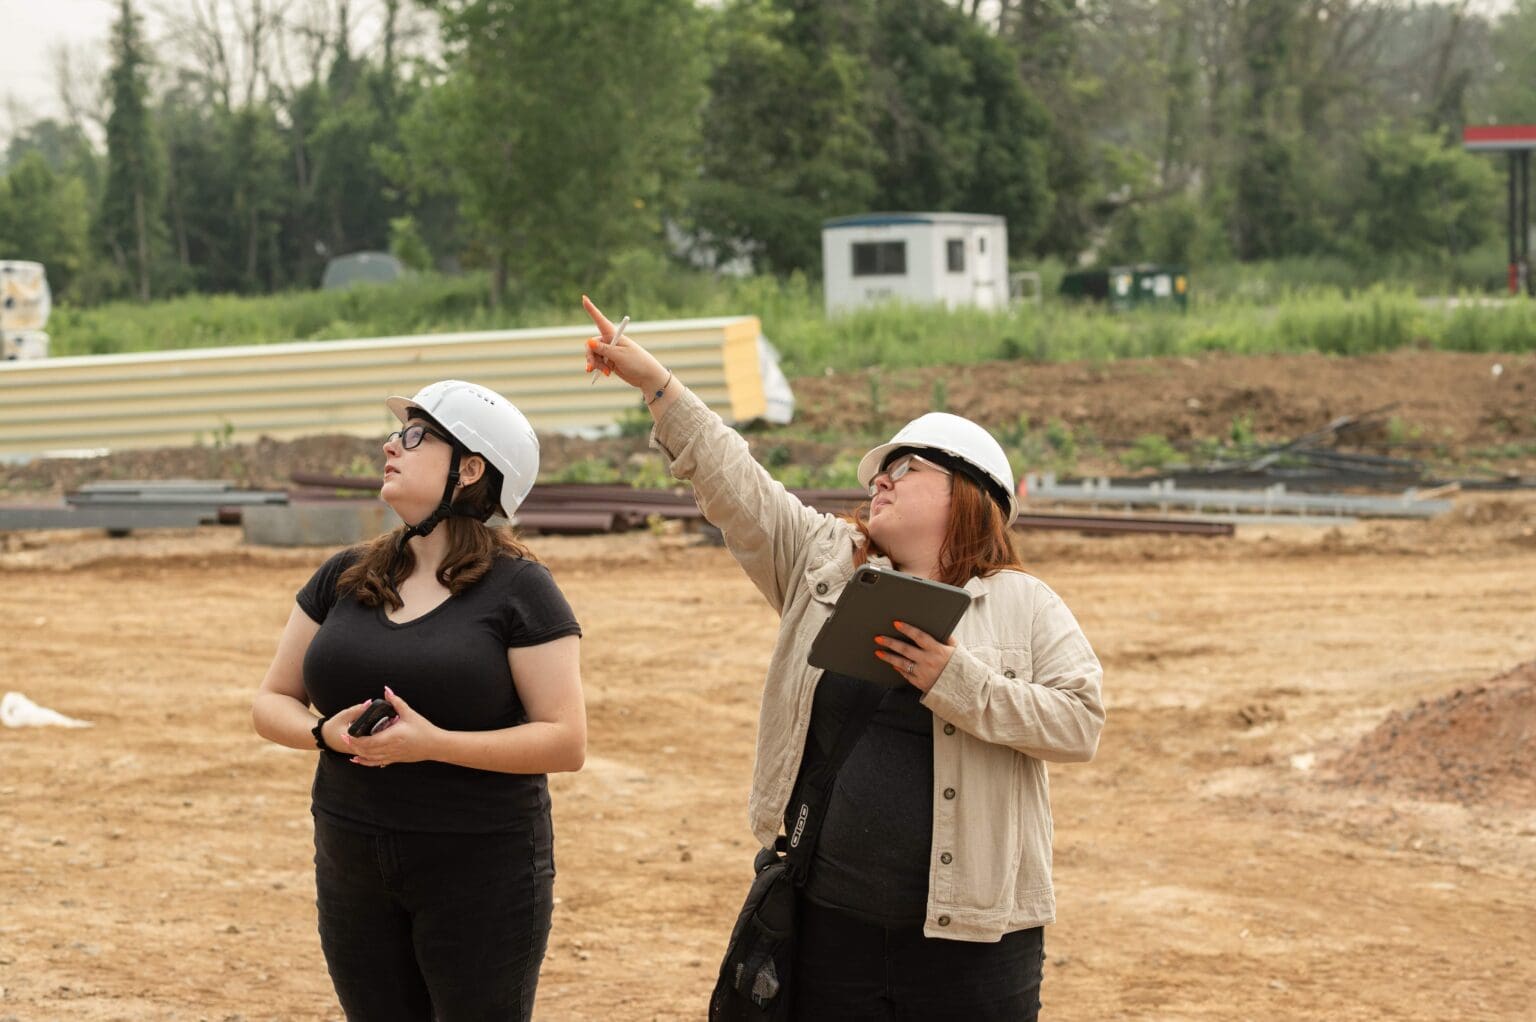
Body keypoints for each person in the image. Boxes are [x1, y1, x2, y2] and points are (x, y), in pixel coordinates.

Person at [581, 296, 1104, 1020]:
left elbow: (1080, 725)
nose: (878, 480)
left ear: (970, 496)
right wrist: (658, 386)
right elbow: (738, 484)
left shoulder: (1026, 604)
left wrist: (958, 680)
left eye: (905, 468)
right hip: (829, 924)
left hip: (977, 944)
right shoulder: (824, 563)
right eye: (878, 473)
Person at [252, 380, 586, 1022]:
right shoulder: (344, 575)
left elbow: (565, 740)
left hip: (481, 870)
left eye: (415, 435)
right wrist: (325, 735)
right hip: (352, 860)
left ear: (470, 468)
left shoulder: (523, 590)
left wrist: (431, 745)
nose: (390, 445)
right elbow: (271, 701)